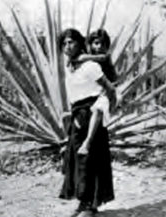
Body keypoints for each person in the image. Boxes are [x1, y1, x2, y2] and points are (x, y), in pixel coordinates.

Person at [58, 28, 115, 217]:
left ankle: (90, 205)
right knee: (78, 161)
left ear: (80, 43)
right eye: (64, 43)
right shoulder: (70, 66)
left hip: (91, 114)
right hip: (77, 115)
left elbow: (109, 87)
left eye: (71, 42)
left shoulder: (90, 66)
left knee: (90, 159)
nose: (68, 46)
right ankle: (84, 203)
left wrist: (109, 108)